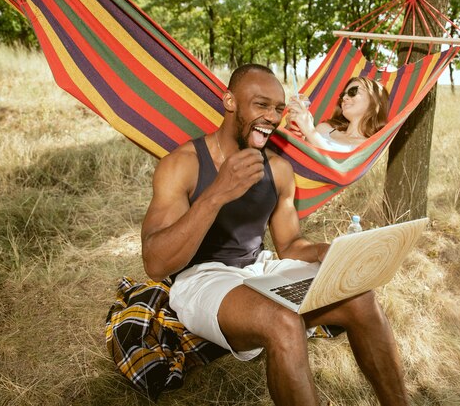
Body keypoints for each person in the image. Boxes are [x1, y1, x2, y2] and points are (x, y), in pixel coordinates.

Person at [141, 64, 409, 406]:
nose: (272, 116)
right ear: (230, 102)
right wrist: (217, 193)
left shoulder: (279, 169)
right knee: (283, 320)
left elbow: (290, 245)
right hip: (202, 277)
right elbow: (155, 262)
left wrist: (326, 251)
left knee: (361, 298)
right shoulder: (182, 164)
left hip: (261, 267)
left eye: (278, 109)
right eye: (261, 105)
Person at [286, 76, 389, 152]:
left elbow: (338, 167)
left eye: (353, 91)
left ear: (375, 102)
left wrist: (309, 130)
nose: (344, 98)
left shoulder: (368, 146)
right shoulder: (324, 129)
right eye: (343, 95)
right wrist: (293, 127)